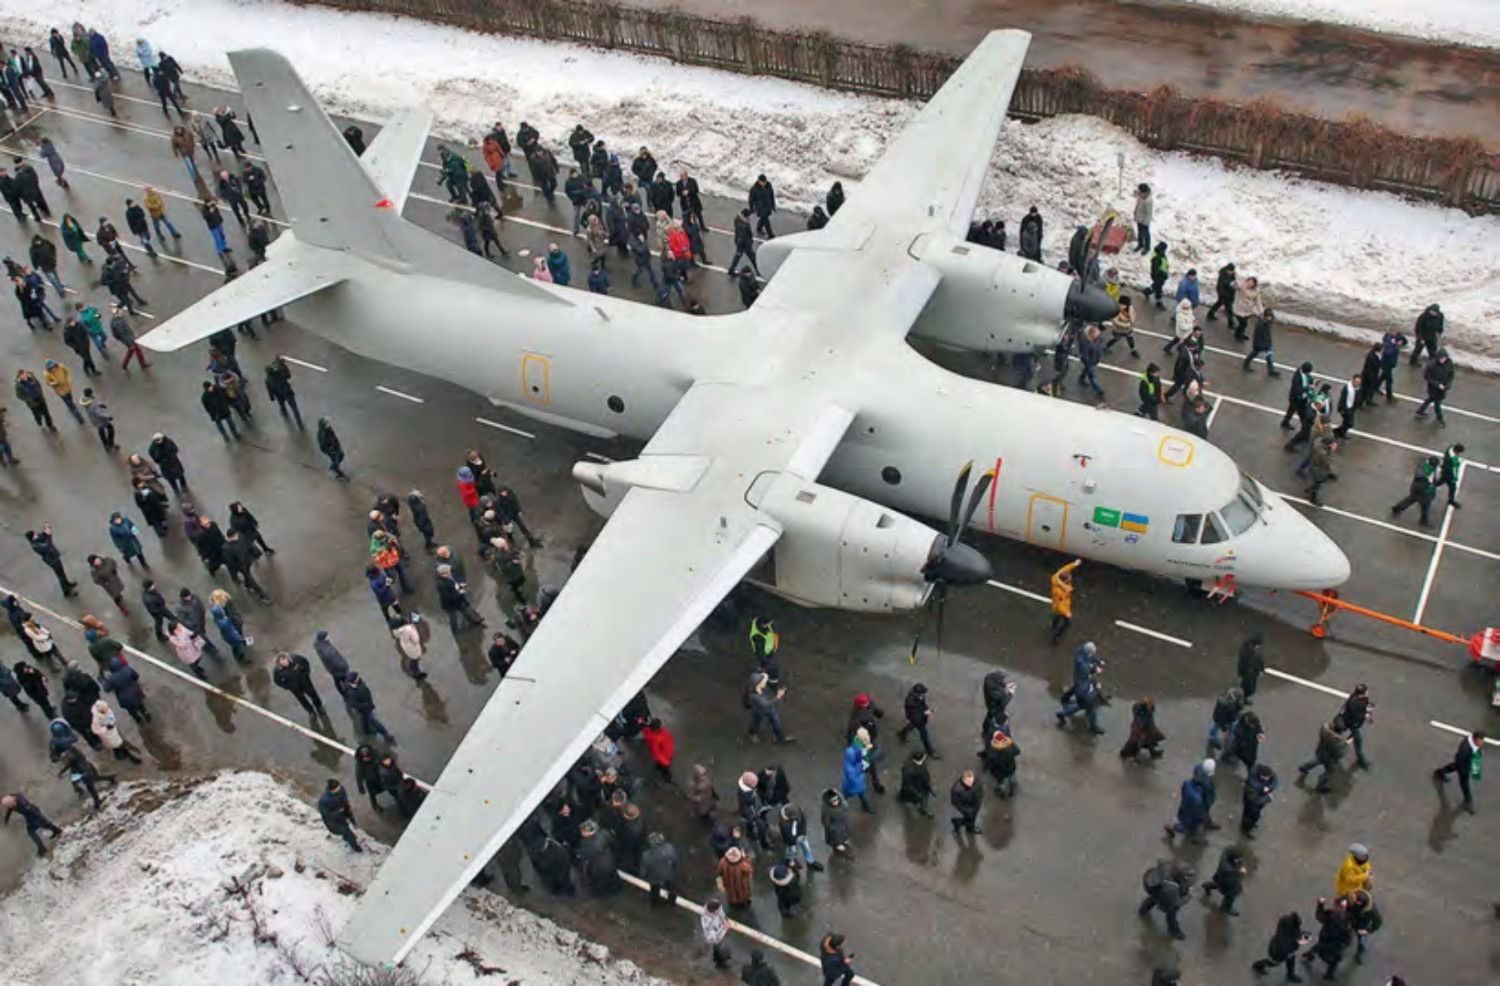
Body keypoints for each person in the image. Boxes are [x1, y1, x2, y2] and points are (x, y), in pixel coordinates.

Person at [1139, 859, 1193, 940]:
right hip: (1160, 890)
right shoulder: (1172, 891)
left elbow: (1160, 862)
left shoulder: (1167, 868)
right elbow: (1167, 907)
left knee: (1154, 898)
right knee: (1171, 913)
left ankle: (1143, 910)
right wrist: (1185, 898)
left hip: (1154, 885)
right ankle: (1173, 931)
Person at [1432, 729, 1484, 813]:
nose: (1481, 743)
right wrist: (1465, 772)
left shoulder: (1472, 744)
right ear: (1474, 739)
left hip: (1463, 762)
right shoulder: (1465, 749)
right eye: (1480, 741)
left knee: (1454, 766)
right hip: (1463, 766)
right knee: (1464, 784)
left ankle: (1439, 773)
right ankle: (1468, 800)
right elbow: (1461, 763)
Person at [1164, 759, 1216, 842]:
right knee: (1190, 825)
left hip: (1186, 803)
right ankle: (1176, 828)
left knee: (1183, 817)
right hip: (1196, 808)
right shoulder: (1207, 786)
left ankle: (1176, 826)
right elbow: (1208, 802)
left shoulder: (1190, 781)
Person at [1297, 716, 1350, 794]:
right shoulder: (1337, 741)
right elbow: (1338, 753)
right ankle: (1321, 785)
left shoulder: (1324, 728)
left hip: (1320, 750)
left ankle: (1304, 767)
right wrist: (1346, 744)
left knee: (1316, 760)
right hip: (1329, 758)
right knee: (1330, 771)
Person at [1307, 896, 1354, 980]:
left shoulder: (1331, 914)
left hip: (1325, 938)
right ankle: (1329, 974)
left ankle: (1309, 955)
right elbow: (1347, 935)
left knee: (1319, 947)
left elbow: (1319, 916)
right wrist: (1347, 942)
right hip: (1334, 943)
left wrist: (1320, 905)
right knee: (1334, 959)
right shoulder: (1346, 920)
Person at [2, 792, 62, 857]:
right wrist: (6, 822)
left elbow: (33, 811)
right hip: (29, 816)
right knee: (39, 828)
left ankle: (43, 848)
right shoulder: (12, 799)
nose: (11, 808)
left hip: (33, 814)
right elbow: (9, 810)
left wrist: (42, 819)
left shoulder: (22, 804)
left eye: (11, 806)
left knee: (38, 827)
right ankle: (56, 831)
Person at [1252, 911, 1309, 978]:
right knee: (1274, 963)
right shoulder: (1287, 934)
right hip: (1281, 952)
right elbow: (1292, 940)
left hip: (1287, 950)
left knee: (1290, 960)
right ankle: (1257, 966)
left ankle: (1290, 974)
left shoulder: (1288, 925)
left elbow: (1296, 936)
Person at [1390, 455, 1439, 527]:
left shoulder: (1424, 466)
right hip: (1422, 493)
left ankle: (1397, 508)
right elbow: (1423, 486)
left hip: (1418, 491)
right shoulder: (1423, 476)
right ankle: (1423, 521)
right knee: (1425, 506)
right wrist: (1430, 490)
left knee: (1410, 500)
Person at [27, 526, 78, 595]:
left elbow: (42, 535)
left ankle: (67, 583)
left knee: (62, 573)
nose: (36, 534)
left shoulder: (36, 539)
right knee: (60, 576)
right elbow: (48, 546)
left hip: (54, 556)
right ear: (32, 537)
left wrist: (46, 530)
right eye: (35, 534)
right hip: (52, 560)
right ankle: (66, 591)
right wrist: (49, 536)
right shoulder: (36, 545)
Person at [273, 651, 324, 717]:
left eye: (285, 659)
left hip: (305, 682)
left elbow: (305, 662)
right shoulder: (278, 671)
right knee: (302, 700)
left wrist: (306, 674)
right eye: (282, 662)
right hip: (295, 688)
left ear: (287, 658)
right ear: (279, 662)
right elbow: (278, 681)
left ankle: (319, 706)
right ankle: (310, 711)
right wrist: (288, 686)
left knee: (313, 694)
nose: (284, 662)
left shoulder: (296, 659)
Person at [317, 779, 362, 852]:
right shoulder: (324, 800)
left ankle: (347, 837)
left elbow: (344, 799)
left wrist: (347, 811)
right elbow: (326, 814)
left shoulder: (341, 790)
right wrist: (338, 812)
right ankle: (355, 846)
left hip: (342, 815)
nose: (340, 789)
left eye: (340, 787)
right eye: (338, 788)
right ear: (333, 790)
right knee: (347, 832)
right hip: (334, 822)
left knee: (346, 828)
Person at [1413, 348, 1454, 425]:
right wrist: (1437, 385)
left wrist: (1448, 385)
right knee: (1437, 403)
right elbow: (1427, 377)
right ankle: (1440, 418)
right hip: (1433, 388)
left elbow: (1451, 375)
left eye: (1444, 358)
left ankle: (1420, 411)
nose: (1443, 360)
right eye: (1441, 358)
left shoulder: (1449, 363)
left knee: (1430, 399)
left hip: (1443, 388)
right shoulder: (1431, 365)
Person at [1241, 762, 1278, 837]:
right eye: (1267, 778)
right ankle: (1246, 829)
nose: (1268, 779)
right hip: (1252, 802)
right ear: (1261, 776)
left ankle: (1251, 824)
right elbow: (1253, 801)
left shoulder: (1266, 771)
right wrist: (1268, 798)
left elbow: (1275, 779)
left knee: (1256, 814)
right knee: (1249, 815)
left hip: (1260, 797)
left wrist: (1269, 787)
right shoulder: (1252, 784)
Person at [1049, 558, 1081, 642]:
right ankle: (1056, 635)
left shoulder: (1056, 577)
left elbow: (1065, 568)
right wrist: (1067, 613)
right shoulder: (1060, 592)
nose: (1070, 578)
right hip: (1061, 607)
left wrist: (1074, 564)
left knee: (1057, 617)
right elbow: (1060, 605)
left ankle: (1054, 626)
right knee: (1067, 622)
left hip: (1058, 605)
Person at [949, 768, 982, 835]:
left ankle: (970, 829)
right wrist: (966, 810)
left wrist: (978, 801)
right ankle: (956, 827)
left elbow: (980, 791)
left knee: (972, 819)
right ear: (963, 780)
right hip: (964, 808)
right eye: (968, 781)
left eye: (972, 781)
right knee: (962, 820)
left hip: (975, 806)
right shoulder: (956, 789)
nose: (970, 783)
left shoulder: (977, 782)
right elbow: (955, 803)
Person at [700, 898, 731, 969]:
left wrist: (724, 920)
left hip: (718, 927)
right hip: (715, 938)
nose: (720, 910)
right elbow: (714, 938)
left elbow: (722, 914)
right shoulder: (708, 923)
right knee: (718, 949)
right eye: (718, 910)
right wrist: (725, 929)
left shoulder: (717, 906)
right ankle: (719, 962)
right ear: (714, 911)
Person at [1132, 183, 1153, 253]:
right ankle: (1140, 244)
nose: (1139, 193)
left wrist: (1145, 222)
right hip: (1139, 218)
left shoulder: (1148, 201)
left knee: (1146, 234)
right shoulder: (1141, 196)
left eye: (1140, 192)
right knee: (1139, 232)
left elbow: (1148, 213)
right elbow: (1137, 203)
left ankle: (1147, 247)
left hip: (1145, 221)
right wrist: (1135, 212)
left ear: (1144, 192)